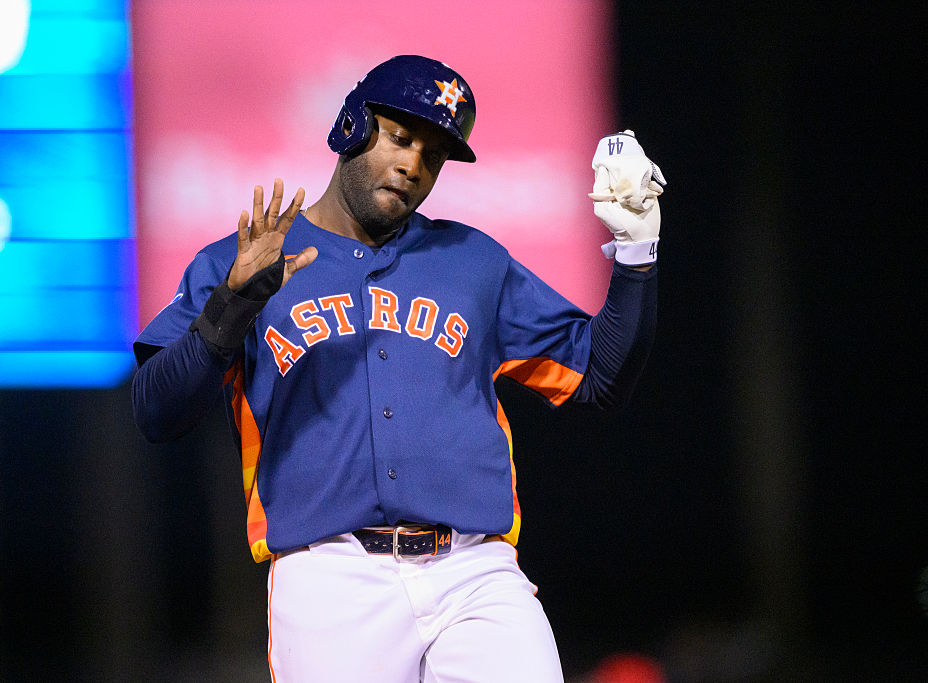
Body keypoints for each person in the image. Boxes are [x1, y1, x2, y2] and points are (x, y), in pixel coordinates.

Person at [132, 55, 664, 683]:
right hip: (329, 577)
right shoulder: (243, 262)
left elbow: (599, 379)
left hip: (473, 572)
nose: (413, 165)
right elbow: (155, 411)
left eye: (434, 154)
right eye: (400, 137)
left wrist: (636, 257)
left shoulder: (472, 261)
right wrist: (236, 304)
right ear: (351, 126)